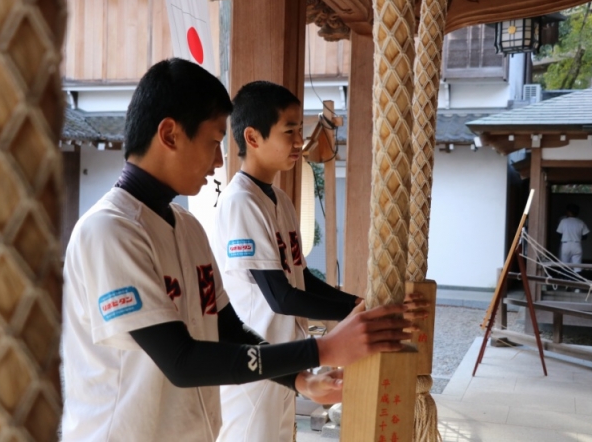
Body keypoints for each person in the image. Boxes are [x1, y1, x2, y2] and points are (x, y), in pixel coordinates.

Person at [60, 59, 426, 442]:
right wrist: (323, 349)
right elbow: (182, 361)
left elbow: (228, 327)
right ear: (169, 134)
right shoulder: (109, 231)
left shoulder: (187, 227)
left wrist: (300, 379)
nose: (219, 160)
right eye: (213, 142)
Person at [211, 81, 415, 442]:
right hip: (257, 365)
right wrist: (357, 313)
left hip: (286, 361)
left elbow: (301, 279)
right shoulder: (241, 201)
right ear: (253, 137)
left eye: (299, 131)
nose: (298, 141)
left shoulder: (280, 200)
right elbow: (281, 297)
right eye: (289, 131)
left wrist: (359, 303)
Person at [557, 203, 590, 274]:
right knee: (577, 267)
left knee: (564, 267)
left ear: (569, 212)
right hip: (577, 244)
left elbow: (559, 234)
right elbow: (585, 236)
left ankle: (565, 279)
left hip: (566, 244)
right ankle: (577, 280)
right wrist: (576, 238)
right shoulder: (580, 222)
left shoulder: (563, 221)